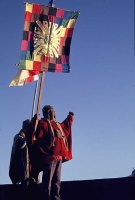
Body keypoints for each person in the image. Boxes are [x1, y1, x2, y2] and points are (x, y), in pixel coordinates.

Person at [30, 105, 74, 200]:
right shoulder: (43, 123)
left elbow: (66, 126)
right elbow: (36, 133)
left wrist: (70, 117)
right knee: (47, 182)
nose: (53, 112)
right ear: (46, 112)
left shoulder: (57, 124)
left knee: (57, 181)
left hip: (59, 157)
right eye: (50, 111)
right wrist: (35, 121)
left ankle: (56, 198)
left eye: (53, 111)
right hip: (49, 157)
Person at [9, 119, 31, 185]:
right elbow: (20, 144)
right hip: (19, 170)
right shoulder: (18, 137)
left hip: (23, 171)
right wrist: (25, 138)